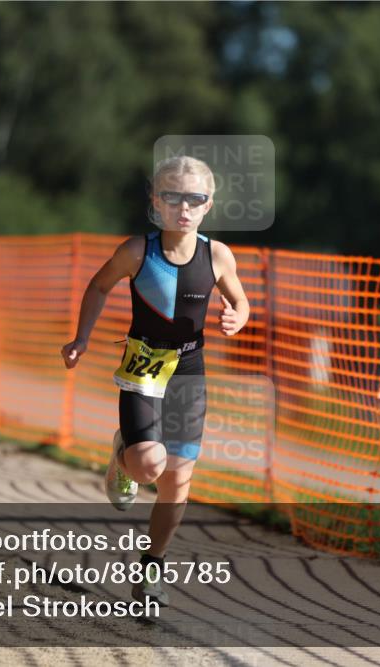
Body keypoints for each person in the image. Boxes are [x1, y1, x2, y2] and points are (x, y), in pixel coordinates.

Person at [61, 155, 250, 606]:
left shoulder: (217, 255)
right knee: (148, 465)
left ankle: (152, 567)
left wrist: (236, 317)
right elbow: (99, 286)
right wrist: (81, 337)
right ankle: (123, 455)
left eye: (194, 199)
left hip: (189, 370)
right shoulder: (136, 252)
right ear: (155, 202)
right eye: (172, 197)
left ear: (208, 205)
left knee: (176, 481)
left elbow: (242, 303)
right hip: (144, 365)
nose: (183, 208)